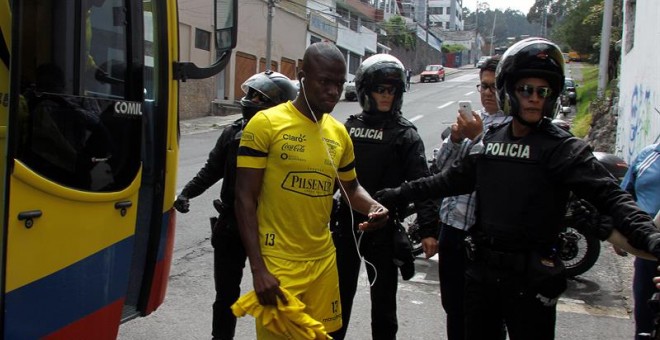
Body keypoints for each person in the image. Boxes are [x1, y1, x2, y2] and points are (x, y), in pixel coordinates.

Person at [373, 37, 660, 340]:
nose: (534, 98)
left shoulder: (564, 149)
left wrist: (652, 238)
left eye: (542, 91)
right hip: (482, 276)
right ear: (510, 90)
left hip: (533, 280)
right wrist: (396, 195)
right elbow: (448, 181)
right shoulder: (492, 140)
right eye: (526, 90)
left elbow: (612, 198)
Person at [234, 42, 389, 339]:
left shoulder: (338, 132)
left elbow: (352, 187)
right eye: (325, 82)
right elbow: (244, 198)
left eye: (339, 83)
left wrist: (372, 206)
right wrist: (258, 269)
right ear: (303, 76)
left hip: (323, 261)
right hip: (279, 263)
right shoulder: (266, 124)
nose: (333, 91)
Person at [173, 71, 298, 340]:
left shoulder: (288, 139)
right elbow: (212, 169)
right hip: (231, 226)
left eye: (259, 97)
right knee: (225, 297)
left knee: (276, 296)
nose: (250, 100)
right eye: (251, 94)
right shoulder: (232, 132)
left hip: (269, 230)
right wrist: (187, 193)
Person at [329, 54, 439, 340]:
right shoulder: (347, 129)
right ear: (367, 91)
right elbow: (328, 180)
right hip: (346, 226)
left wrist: (428, 229)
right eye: (381, 90)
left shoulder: (405, 135)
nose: (387, 96)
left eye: (392, 90)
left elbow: (422, 183)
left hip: (385, 230)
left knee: (384, 311)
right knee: (336, 304)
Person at [433, 56, 509, 340]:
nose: (488, 93)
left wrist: (478, 137)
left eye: (494, 86)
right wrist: (454, 139)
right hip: (451, 228)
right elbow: (440, 168)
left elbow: (498, 176)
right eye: (483, 86)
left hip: (481, 237)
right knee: (453, 308)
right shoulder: (472, 121)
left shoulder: (513, 128)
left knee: (484, 315)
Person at [620, 143, 660, 339]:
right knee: (644, 316)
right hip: (648, 252)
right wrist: (619, 235)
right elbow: (625, 196)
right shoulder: (648, 155)